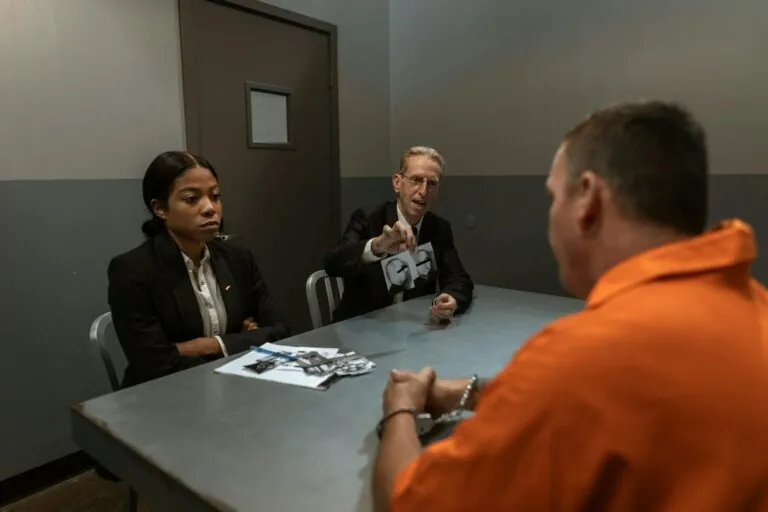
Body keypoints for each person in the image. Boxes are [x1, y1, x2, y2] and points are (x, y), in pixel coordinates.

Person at [372, 101, 768, 511]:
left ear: (588, 201)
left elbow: (410, 501)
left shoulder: (578, 357)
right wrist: (468, 393)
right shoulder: (752, 308)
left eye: (552, 197)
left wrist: (399, 409)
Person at [108, 151, 289, 387]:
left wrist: (211, 345)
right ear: (160, 208)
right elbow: (153, 362)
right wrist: (243, 339)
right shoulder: (133, 270)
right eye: (192, 199)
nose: (210, 208)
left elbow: (279, 330)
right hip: (163, 394)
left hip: (235, 387)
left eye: (215, 196)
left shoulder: (238, 258)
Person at [324, 146, 474, 322]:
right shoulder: (368, 218)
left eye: (431, 183)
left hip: (413, 327)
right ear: (397, 183)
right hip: (362, 325)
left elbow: (459, 278)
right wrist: (376, 247)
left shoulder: (438, 228)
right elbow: (333, 263)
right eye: (416, 180)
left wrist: (451, 299)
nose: (423, 191)